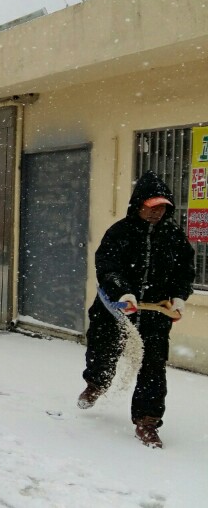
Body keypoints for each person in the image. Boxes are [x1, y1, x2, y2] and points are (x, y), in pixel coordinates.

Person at [78, 170, 195, 448]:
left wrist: (178, 297)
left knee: (153, 366)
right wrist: (124, 292)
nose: (156, 214)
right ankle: (96, 383)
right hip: (115, 308)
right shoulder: (119, 233)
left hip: (155, 313)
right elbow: (107, 267)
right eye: (151, 207)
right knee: (102, 349)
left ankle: (147, 420)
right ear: (139, 205)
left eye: (162, 208)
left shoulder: (175, 237)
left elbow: (185, 272)